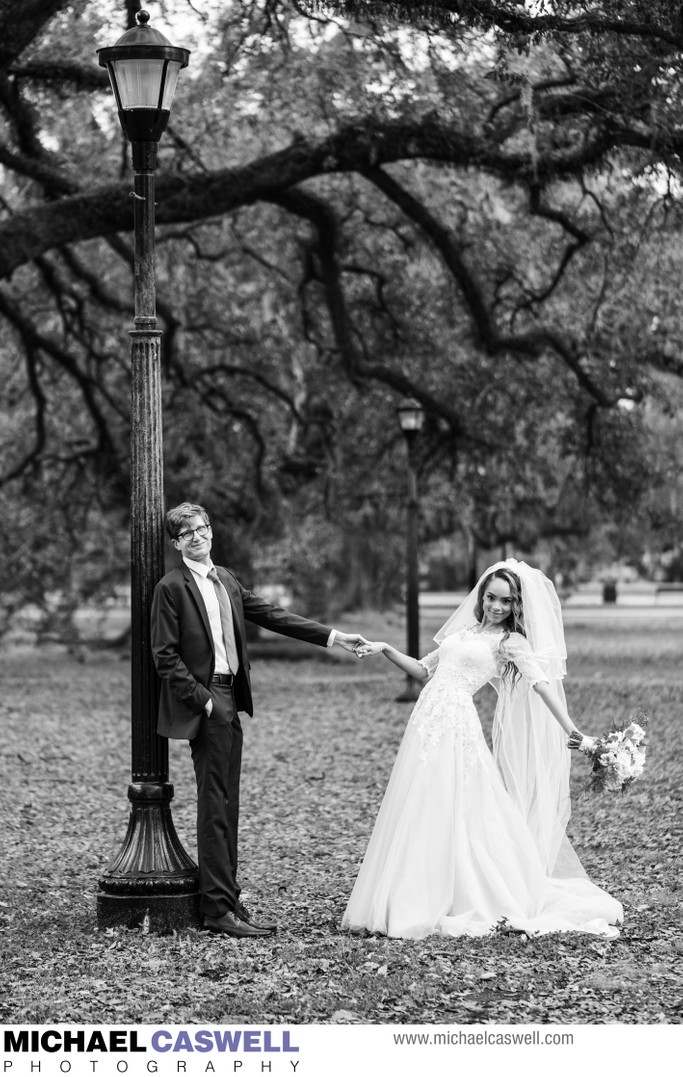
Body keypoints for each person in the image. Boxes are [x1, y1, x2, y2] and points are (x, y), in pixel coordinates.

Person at [343, 559, 623, 939]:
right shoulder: (463, 631)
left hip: (457, 723)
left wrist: (575, 732)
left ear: (516, 606)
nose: (496, 606)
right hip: (425, 723)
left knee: (456, 804)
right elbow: (424, 671)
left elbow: (541, 684)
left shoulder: (511, 642)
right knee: (421, 799)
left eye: (506, 602)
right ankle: (406, 891)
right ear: (482, 597)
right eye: (491, 597)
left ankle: (459, 892)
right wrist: (385, 648)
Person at [151, 501, 366, 939]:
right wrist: (204, 701)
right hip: (208, 698)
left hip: (232, 694)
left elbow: (271, 615)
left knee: (228, 803)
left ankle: (227, 899)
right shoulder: (170, 588)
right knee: (214, 806)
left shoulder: (225, 578)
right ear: (176, 544)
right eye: (186, 532)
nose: (197, 536)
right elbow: (164, 655)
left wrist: (333, 637)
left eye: (202, 528)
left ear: (211, 531)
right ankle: (215, 910)